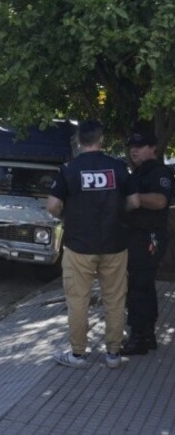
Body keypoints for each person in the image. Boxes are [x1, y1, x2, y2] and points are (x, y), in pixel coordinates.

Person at [46, 120, 138, 369]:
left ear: (79, 141)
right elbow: (135, 202)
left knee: (78, 300)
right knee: (115, 299)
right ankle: (113, 354)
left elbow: (53, 205)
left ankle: (78, 355)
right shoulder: (118, 168)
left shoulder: (69, 170)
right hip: (115, 244)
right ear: (102, 140)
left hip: (79, 246)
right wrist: (118, 214)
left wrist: (65, 217)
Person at [121, 129, 172, 356]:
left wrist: (137, 199)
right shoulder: (138, 172)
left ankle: (139, 337)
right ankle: (147, 335)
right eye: (132, 146)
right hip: (136, 236)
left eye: (140, 146)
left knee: (140, 287)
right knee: (142, 285)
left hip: (148, 236)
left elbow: (161, 201)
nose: (134, 150)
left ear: (153, 148)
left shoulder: (159, 172)